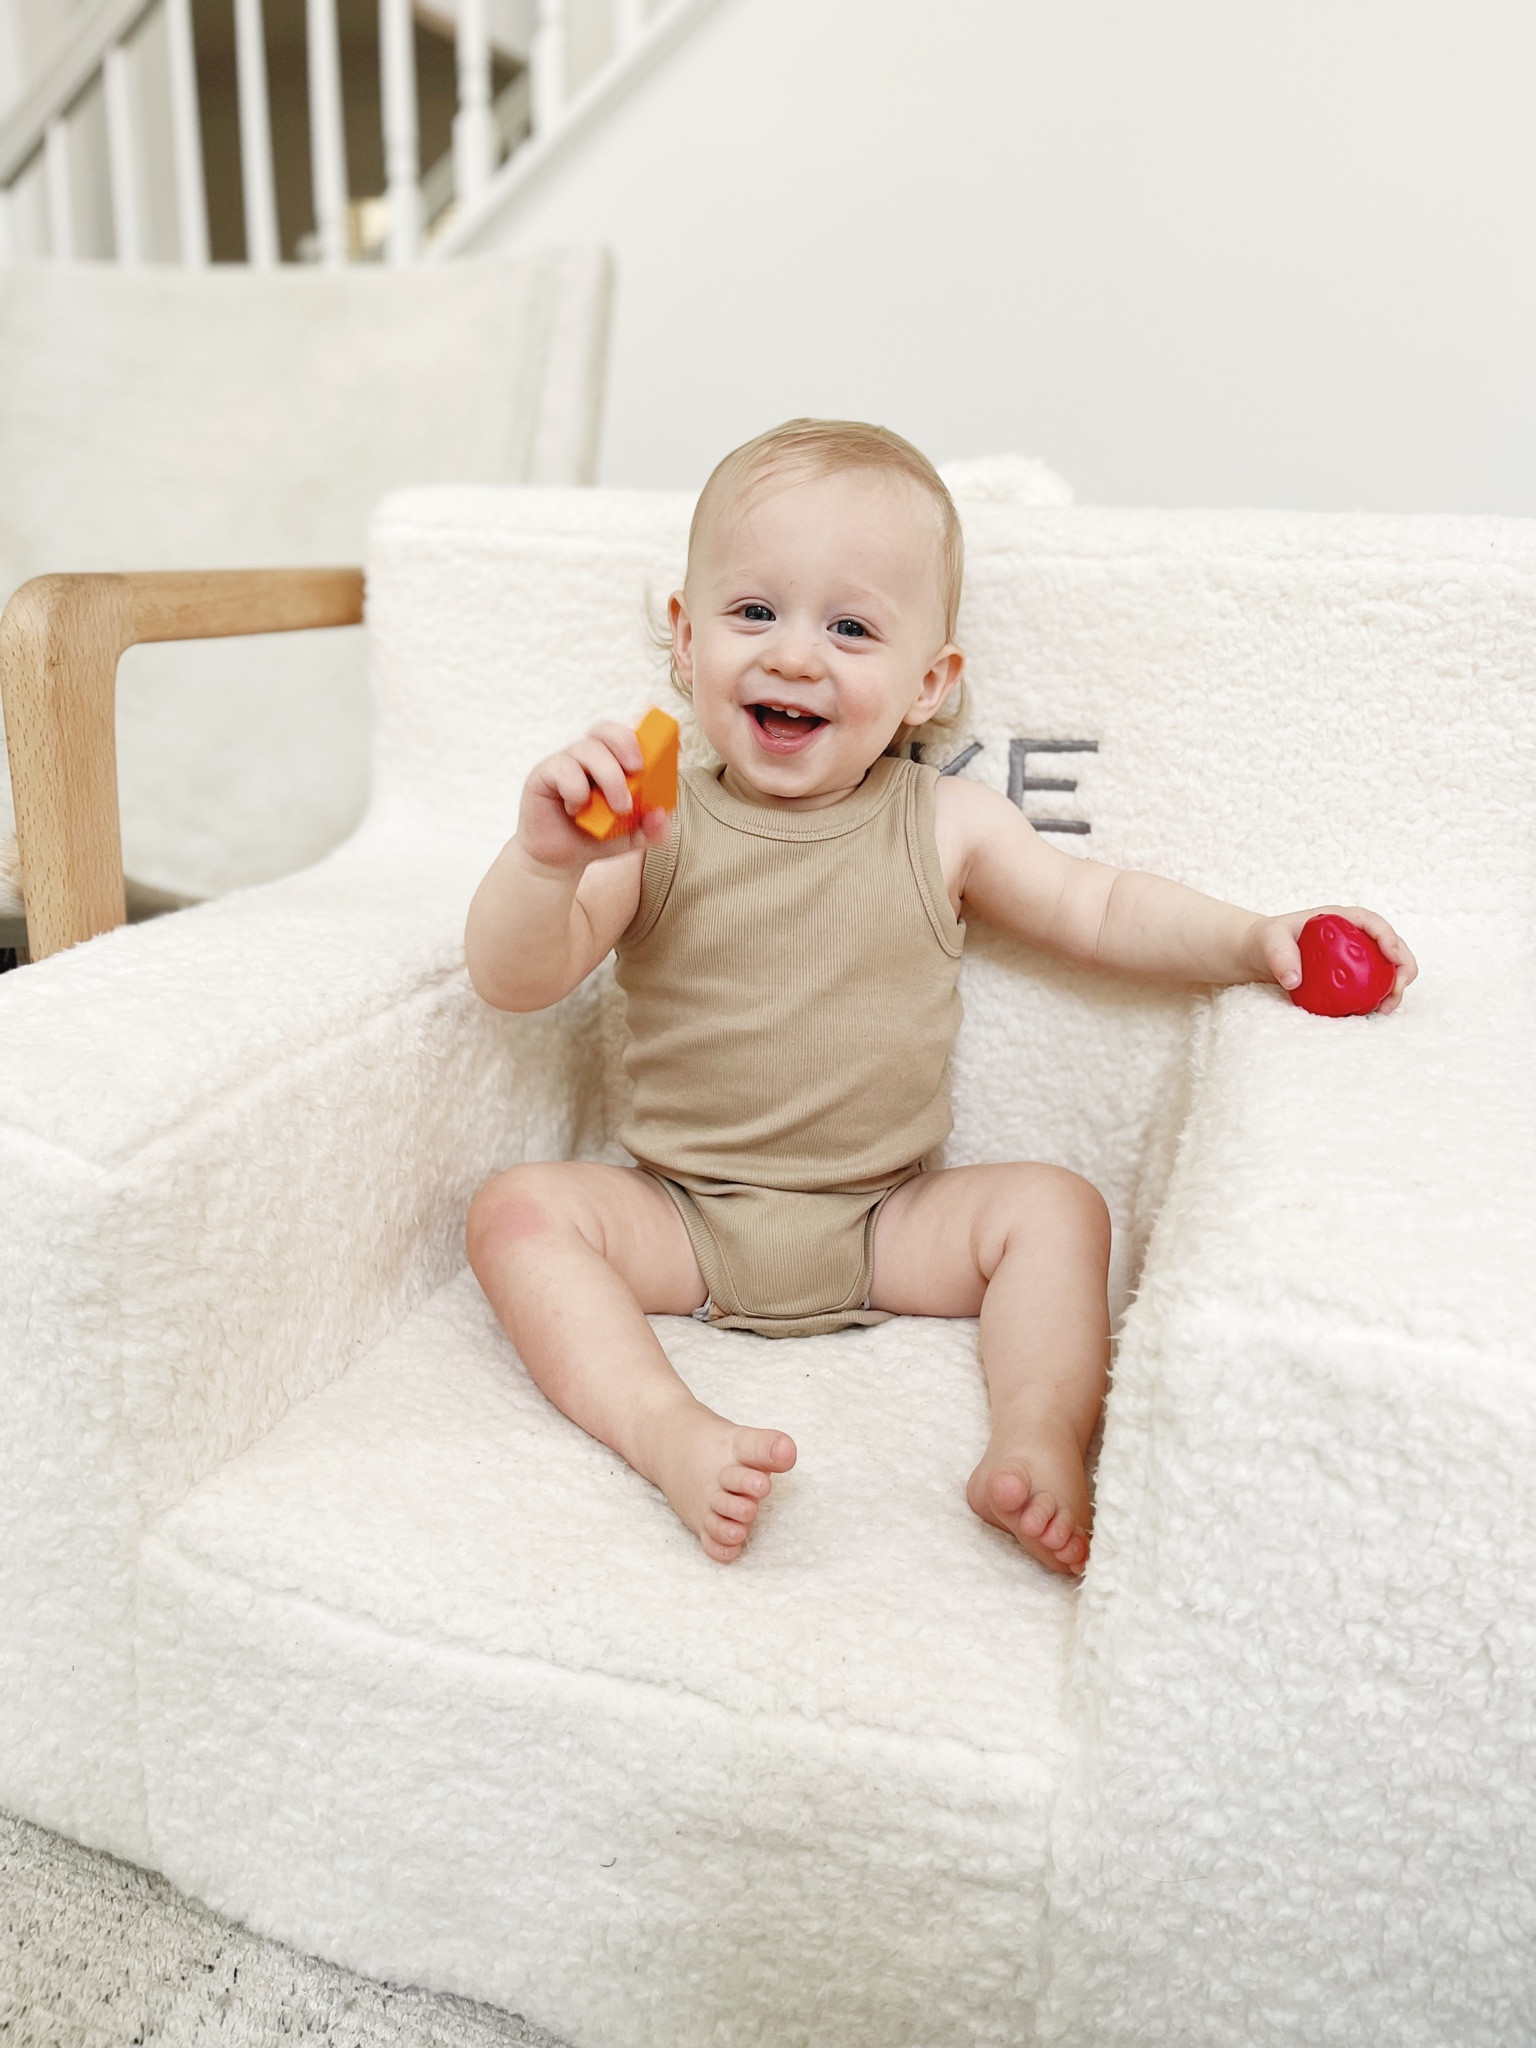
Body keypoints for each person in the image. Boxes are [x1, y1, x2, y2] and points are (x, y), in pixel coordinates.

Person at [463, 418, 1416, 1576]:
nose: (796, 656)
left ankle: (1038, 1436)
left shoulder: (943, 821)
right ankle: (666, 1428)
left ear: (929, 683)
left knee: (1057, 1209)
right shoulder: (655, 820)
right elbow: (516, 979)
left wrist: (1252, 937)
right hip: (682, 1213)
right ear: (683, 636)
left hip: (883, 1221)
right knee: (517, 1212)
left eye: (851, 626)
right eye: (754, 612)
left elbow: (1099, 909)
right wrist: (547, 861)